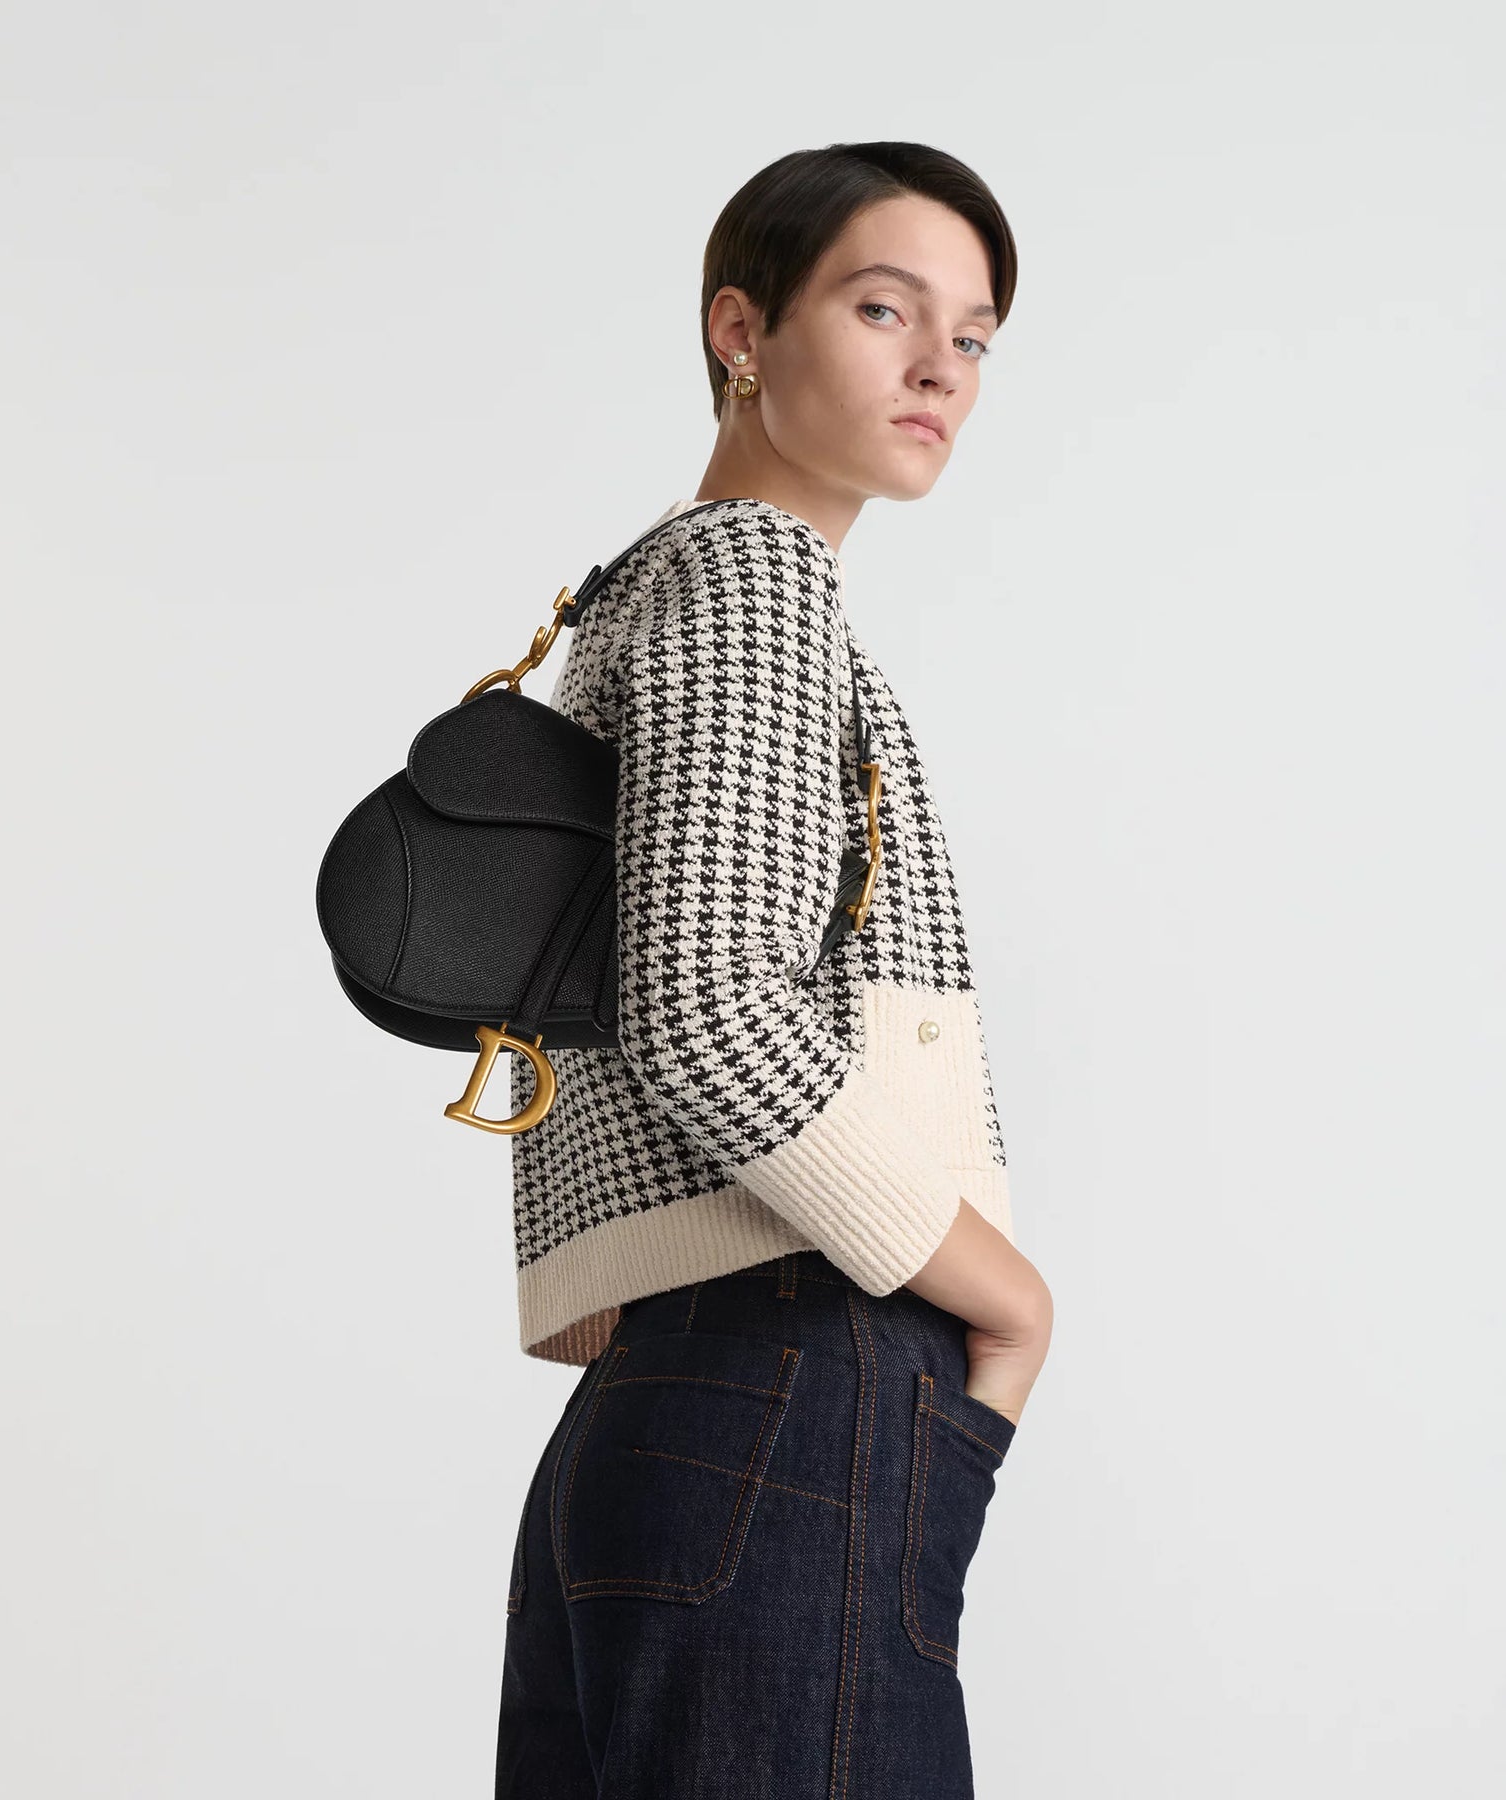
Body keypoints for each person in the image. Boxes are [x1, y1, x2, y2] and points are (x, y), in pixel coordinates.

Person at [495, 140, 1054, 1800]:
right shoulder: (752, 580)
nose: (938, 367)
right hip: (795, 1384)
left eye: (972, 335)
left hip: (687, 1404)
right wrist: (1004, 1295)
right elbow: (707, 1007)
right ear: (739, 329)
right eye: (884, 309)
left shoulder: (641, 593)